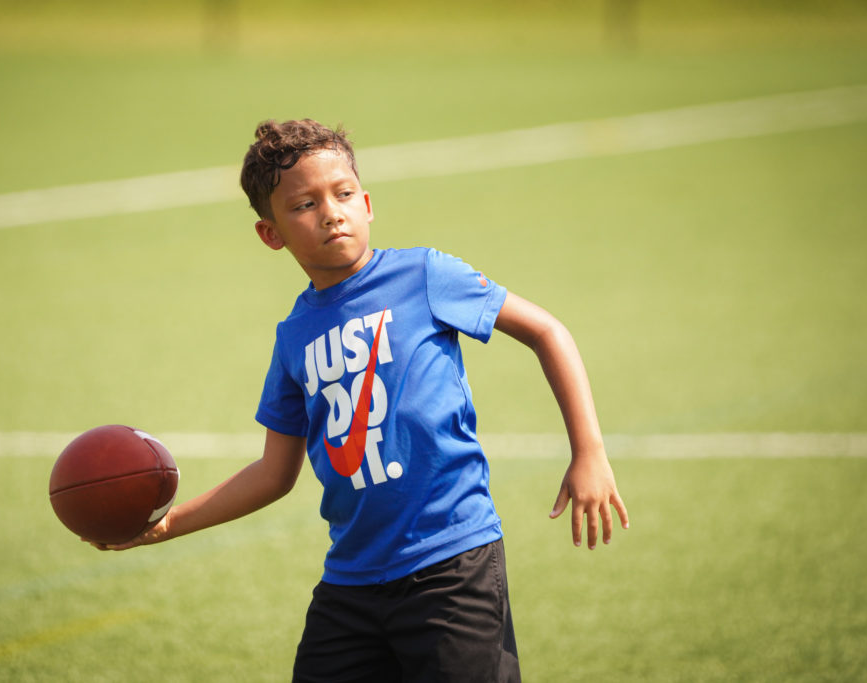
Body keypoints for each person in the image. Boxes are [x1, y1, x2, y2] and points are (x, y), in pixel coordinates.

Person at [90, 119, 629, 682]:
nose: (330, 212)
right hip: (350, 585)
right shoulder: (293, 337)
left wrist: (588, 451)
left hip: (450, 566)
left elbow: (548, 332)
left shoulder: (424, 275)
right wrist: (165, 525)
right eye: (303, 205)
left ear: (367, 203)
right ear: (270, 234)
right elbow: (275, 473)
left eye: (343, 194)